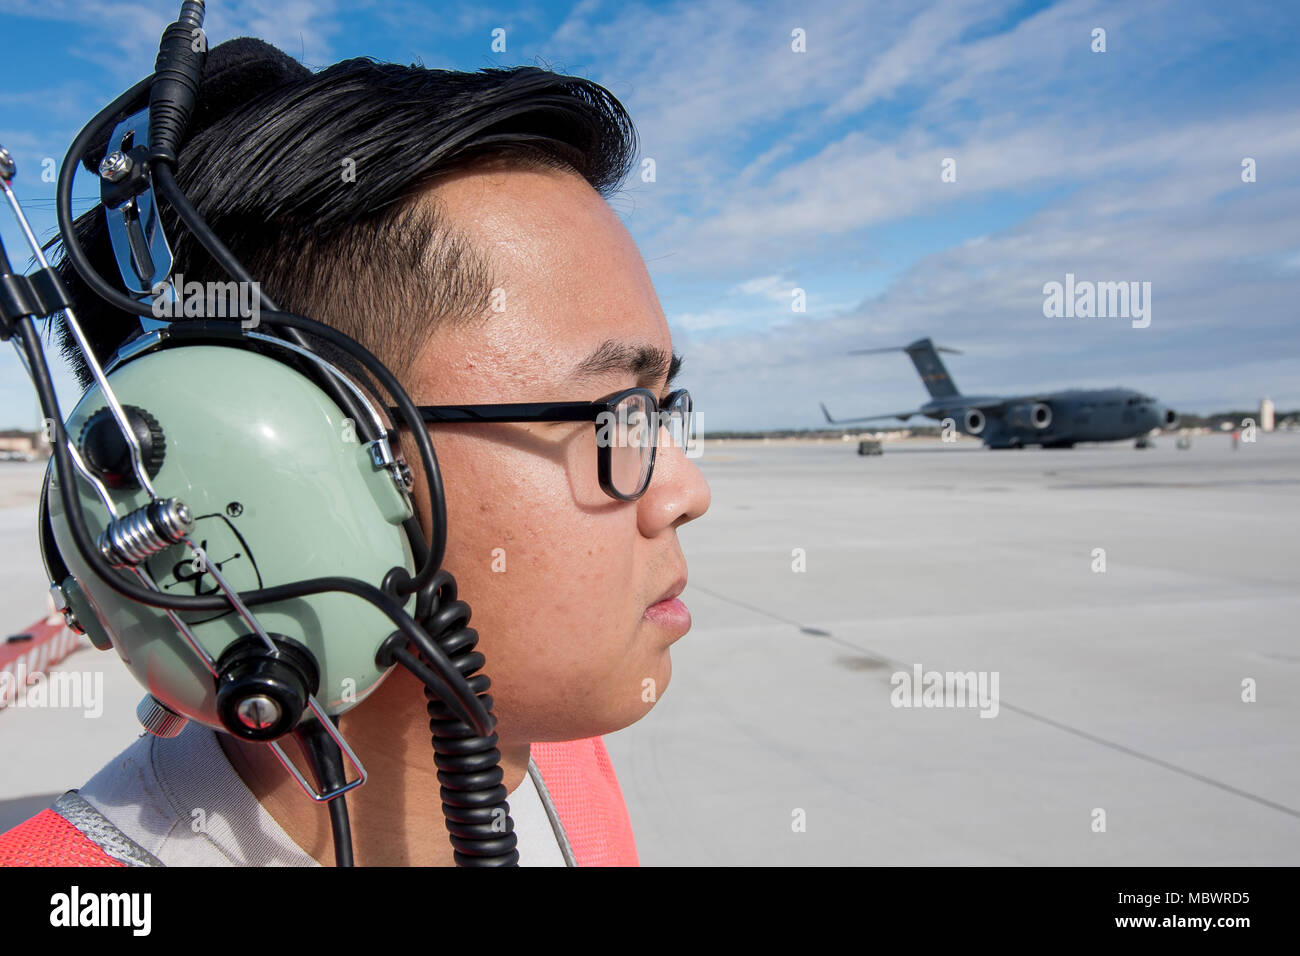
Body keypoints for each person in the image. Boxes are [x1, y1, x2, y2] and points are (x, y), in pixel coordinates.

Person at [0, 36, 710, 867]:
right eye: (611, 412)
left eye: (662, 412)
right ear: (296, 461)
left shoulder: (553, 757)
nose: (686, 489)